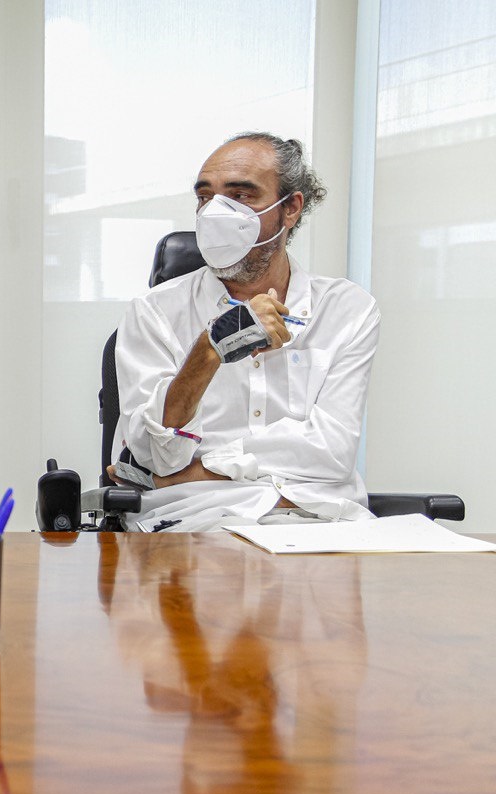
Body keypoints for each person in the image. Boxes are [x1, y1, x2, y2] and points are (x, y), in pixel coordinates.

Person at [111, 132, 380, 532]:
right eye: (205, 197)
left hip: (323, 525)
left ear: (290, 208)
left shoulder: (347, 309)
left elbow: (331, 454)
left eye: (240, 196)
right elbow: (154, 456)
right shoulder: (155, 313)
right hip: (193, 527)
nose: (215, 212)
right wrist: (210, 348)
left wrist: (198, 471)